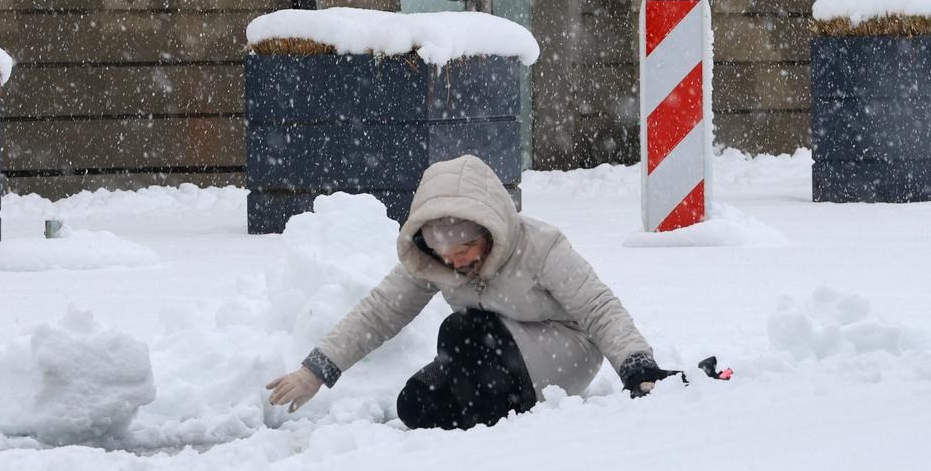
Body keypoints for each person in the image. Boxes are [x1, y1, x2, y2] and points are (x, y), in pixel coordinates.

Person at [266, 154, 680, 430]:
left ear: (489, 232)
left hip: (565, 349)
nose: (455, 264)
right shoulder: (436, 260)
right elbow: (380, 312)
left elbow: (598, 308)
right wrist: (315, 370)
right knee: (415, 405)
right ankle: (490, 416)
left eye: (464, 251)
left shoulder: (541, 245)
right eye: (445, 255)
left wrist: (637, 368)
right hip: (486, 353)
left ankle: (501, 419)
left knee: (459, 330)